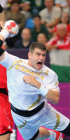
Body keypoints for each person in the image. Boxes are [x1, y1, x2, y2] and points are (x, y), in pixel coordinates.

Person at [0, 4, 70, 140]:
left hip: (43, 112)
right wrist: (4, 32)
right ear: (30, 55)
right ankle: (53, 135)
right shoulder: (14, 63)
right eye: (38, 54)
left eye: (43, 55)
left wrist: (38, 85)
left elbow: (55, 99)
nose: (41, 58)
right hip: (20, 117)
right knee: (35, 136)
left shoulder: (49, 73)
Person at [0, 10, 13, 140]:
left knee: (5, 130)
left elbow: (2, 21)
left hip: (5, 95)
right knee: (3, 131)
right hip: (0, 96)